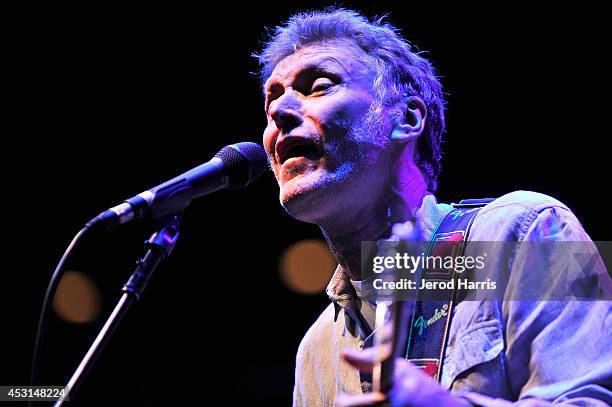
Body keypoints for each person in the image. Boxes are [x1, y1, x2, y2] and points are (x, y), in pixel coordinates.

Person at [256, 8, 612, 406]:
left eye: (319, 85)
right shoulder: (316, 351)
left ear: (406, 118)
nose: (278, 113)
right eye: (272, 100)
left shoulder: (527, 230)